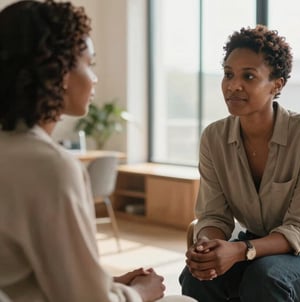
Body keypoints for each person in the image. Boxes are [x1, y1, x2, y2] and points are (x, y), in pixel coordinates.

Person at [0, 1, 196, 302]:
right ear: (60, 70)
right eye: (89, 64)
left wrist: (107, 282)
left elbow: (23, 276)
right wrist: (138, 293)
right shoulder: (50, 168)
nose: (95, 78)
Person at [179, 25, 300, 301]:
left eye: (248, 76)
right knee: (197, 277)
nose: (233, 85)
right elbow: (213, 215)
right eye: (228, 74)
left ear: (277, 84)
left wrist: (239, 251)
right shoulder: (213, 137)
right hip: (256, 244)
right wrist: (207, 247)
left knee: (265, 276)